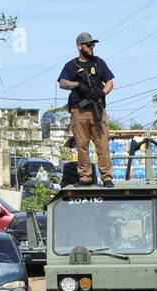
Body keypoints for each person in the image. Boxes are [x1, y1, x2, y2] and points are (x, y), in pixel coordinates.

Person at [57, 33, 114, 187]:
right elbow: (62, 83)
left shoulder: (98, 63)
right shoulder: (72, 65)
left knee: (102, 144)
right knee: (82, 145)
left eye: (92, 45)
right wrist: (77, 85)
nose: (91, 47)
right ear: (79, 46)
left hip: (97, 110)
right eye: (88, 45)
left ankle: (106, 177)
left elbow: (109, 81)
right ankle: (85, 177)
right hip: (79, 110)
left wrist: (102, 92)